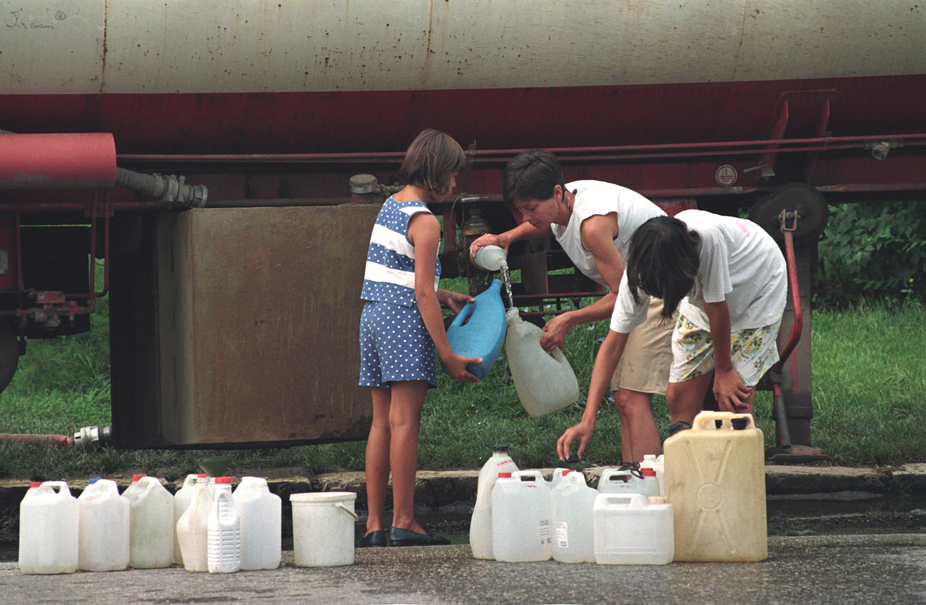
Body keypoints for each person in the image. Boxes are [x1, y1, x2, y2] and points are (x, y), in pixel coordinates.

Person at [470, 149, 674, 463]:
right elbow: (544, 223)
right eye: (521, 210)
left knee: (632, 398)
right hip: (640, 292)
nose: (527, 217)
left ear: (557, 193)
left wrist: (569, 319)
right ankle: (632, 482)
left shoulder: (592, 226)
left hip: (663, 291)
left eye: (531, 208)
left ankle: (649, 490)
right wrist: (507, 236)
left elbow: (624, 297)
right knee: (622, 400)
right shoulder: (566, 199)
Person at [556, 211, 787, 461]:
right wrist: (588, 419)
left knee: (733, 399)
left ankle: (738, 478)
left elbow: (717, 308)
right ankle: (691, 475)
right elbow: (612, 346)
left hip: (757, 290)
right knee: (678, 396)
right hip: (705, 306)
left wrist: (724, 370)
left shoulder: (707, 241)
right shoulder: (639, 273)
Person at [358, 129, 481, 547]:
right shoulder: (426, 222)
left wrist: (445, 295)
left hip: (373, 316)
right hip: (403, 322)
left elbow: (400, 275)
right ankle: (406, 521)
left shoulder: (391, 206)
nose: (455, 184)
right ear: (437, 172)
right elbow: (421, 293)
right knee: (405, 422)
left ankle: (375, 523)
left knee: (381, 422)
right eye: (453, 175)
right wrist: (447, 354)